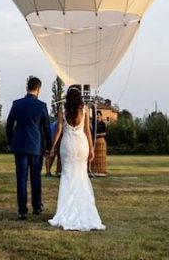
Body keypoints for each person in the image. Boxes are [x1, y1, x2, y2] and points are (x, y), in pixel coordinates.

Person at [47, 85, 105, 231]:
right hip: (81, 145)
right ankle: (82, 209)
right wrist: (91, 148)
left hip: (67, 146)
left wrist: (53, 147)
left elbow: (59, 131)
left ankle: (65, 210)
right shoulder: (84, 110)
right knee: (81, 177)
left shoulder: (62, 110)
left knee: (67, 177)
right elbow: (87, 130)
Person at [6, 76, 52, 220]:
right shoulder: (42, 106)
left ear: (27, 87)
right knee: (35, 177)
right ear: (38, 89)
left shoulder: (17, 104)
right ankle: (37, 206)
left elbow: (9, 124)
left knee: (21, 178)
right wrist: (49, 146)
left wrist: (10, 141)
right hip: (36, 146)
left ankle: (22, 210)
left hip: (19, 145)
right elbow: (46, 128)